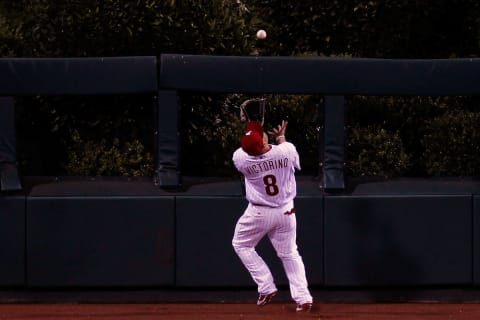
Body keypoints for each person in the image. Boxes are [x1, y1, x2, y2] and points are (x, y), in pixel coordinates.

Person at [231, 119, 313, 312]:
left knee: (241, 244)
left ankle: (266, 286)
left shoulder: (240, 159)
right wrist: (281, 137)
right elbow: (288, 155)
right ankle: (303, 298)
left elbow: (249, 147)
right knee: (290, 254)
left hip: (259, 213)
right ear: (265, 140)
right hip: (286, 211)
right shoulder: (286, 150)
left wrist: (253, 132)